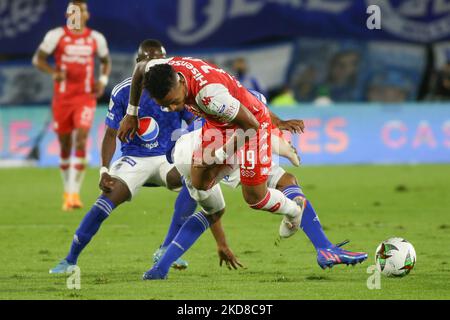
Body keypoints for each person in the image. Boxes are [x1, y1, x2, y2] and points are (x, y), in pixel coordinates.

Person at [118, 58, 368, 279]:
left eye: (173, 102)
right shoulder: (161, 72)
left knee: (254, 197)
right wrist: (132, 113)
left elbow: (249, 123)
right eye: (165, 105)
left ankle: (295, 210)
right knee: (233, 185)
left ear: (181, 83)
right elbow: (140, 68)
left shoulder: (209, 96)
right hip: (220, 125)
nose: (172, 109)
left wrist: (219, 154)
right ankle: (281, 156)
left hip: (250, 128)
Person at [49, 40, 242, 274]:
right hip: (134, 158)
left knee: (194, 179)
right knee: (105, 201)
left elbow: (196, 121)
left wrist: (192, 139)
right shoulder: (123, 92)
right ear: (138, 64)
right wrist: (104, 169)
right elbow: (110, 134)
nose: (152, 64)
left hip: (167, 160)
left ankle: (166, 247)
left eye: (157, 59)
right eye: (147, 61)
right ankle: (70, 259)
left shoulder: (176, 86)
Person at [32, 0, 111, 211]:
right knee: (65, 145)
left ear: (87, 15)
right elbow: (38, 59)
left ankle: (75, 193)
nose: (77, 15)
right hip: (62, 99)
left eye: (81, 11)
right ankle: (67, 190)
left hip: (85, 97)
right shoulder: (56, 36)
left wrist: (102, 81)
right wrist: (54, 73)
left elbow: (105, 61)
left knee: (82, 138)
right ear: (68, 15)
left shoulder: (96, 38)